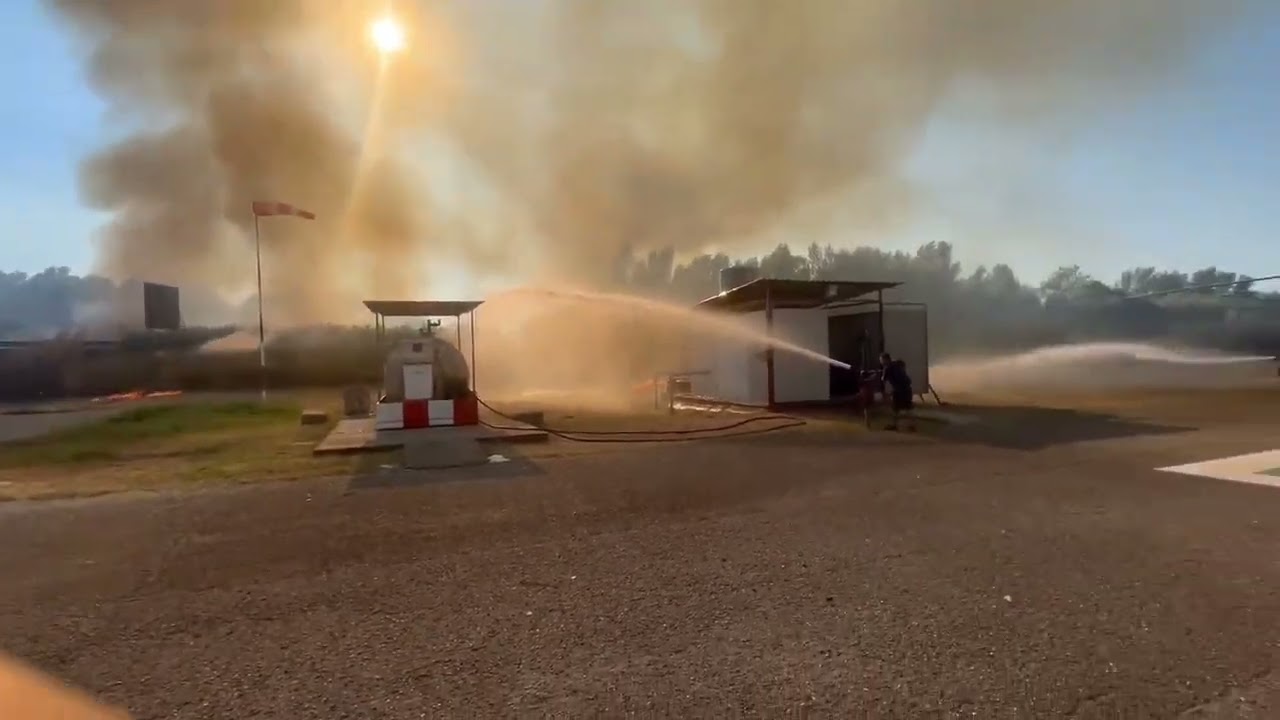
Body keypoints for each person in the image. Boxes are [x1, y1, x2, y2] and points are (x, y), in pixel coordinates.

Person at [879, 352, 916, 432]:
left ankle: (894, 425)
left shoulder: (888, 368)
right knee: (908, 407)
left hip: (899, 390)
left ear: (886, 359)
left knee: (895, 409)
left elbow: (883, 380)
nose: (881, 362)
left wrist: (884, 393)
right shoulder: (897, 364)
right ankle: (912, 425)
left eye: (881, 360)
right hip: (907, 388)